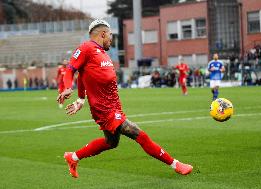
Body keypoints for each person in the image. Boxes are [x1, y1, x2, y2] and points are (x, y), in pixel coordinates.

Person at [57, 19, 193, 178]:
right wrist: (67, 87)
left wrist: (81, 99)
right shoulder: (86, 48)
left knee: (111, 142)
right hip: (104, 109)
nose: (111, 39)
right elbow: (71, 70)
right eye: (110, 36)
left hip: (113, 106)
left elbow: (82, 75)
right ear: (102, 34)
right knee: (138, 134)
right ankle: (176, 165)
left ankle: (72, 157)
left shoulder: (101, 53)